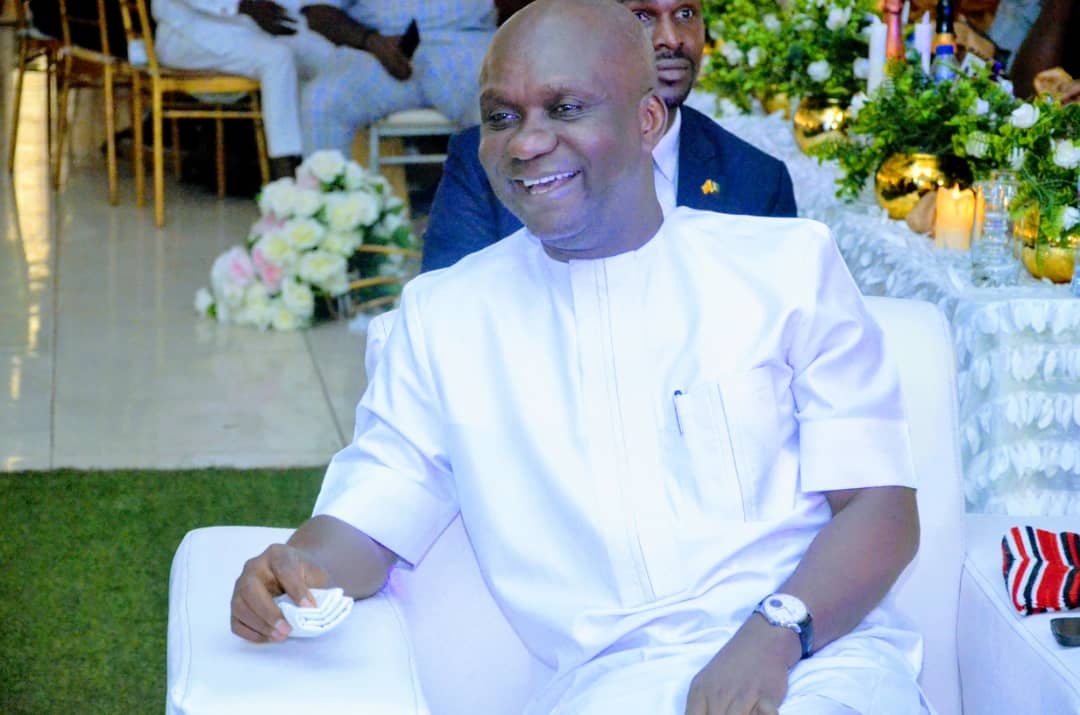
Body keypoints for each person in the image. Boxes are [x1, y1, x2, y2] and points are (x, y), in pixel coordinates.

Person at [231, 1, 926, 713]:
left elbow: (881, 505)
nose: (528, 142)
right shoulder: (446, 317)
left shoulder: (785, 268)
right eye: (501, 117)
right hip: (611, 687)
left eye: (565, 108)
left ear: (647, 121)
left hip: (820, 661)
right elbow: (375, 509)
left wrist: (772, 638)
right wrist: (299, 565)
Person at [418, 0, 797, 272]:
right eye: (642, 16)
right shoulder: (491, 160)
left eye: (685, 14)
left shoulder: (756, 179)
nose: (671, 39)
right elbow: (453, 315)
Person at [150, 0, 351, 178]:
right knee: (277, 59)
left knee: (324, 55)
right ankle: (284, 166)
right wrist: (245, 6)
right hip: (187, 32)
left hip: (243, 27)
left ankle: (329, 164)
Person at [299, 0, 498, 156]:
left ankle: (498, 195)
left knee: (500, 98)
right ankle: (331, 195)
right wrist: (372, 42)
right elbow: (318, 11)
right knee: (322, 100)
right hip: (375, 47)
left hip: (464, 42)